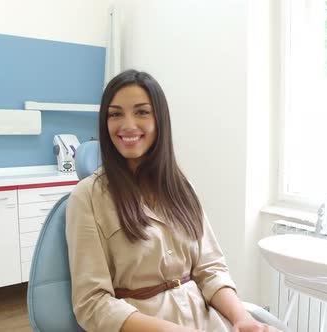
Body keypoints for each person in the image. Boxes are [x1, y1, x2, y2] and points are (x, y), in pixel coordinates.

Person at [65, 69, 280, 332]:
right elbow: (92, 303)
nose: (128, 124)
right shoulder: (87, 197)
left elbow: (210, 269)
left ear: (159, 120)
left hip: (207, 320)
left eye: (142, 112)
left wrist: (242, 319)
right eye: (116, 114)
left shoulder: (180, 186)